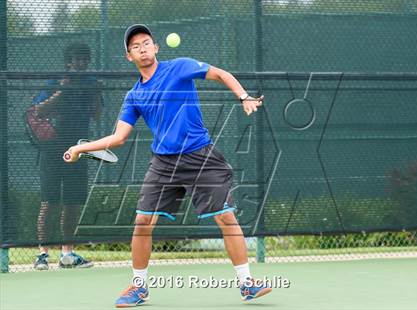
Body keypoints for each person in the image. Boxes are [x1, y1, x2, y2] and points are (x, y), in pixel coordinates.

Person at [62, 24, 271, 306]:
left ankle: (247, 284)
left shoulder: (181, 67)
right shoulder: (134, 96)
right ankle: (138, 288)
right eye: (135, 46)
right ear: (129, 56)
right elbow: (119, 137)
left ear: (156, 47)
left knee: (226, 217)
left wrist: (243, 96)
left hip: (201, 156)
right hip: (164, 162)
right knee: (142, 222)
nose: (142, 48)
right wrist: (79, 147)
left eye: (147, 43)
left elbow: (220, 74)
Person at [33, 42, 101, 270]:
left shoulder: (91, 83)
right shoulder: (55, 82)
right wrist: (62, 89)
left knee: (71, 203)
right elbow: (39, 111)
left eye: (84, 59)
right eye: (76, 59)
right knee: (49, 201)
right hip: (52, 148)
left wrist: (95, 94)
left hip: (78, 147)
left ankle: (67, 254)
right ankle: (43, 255)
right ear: (68, 62)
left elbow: (97, 115)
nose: (81, 63)